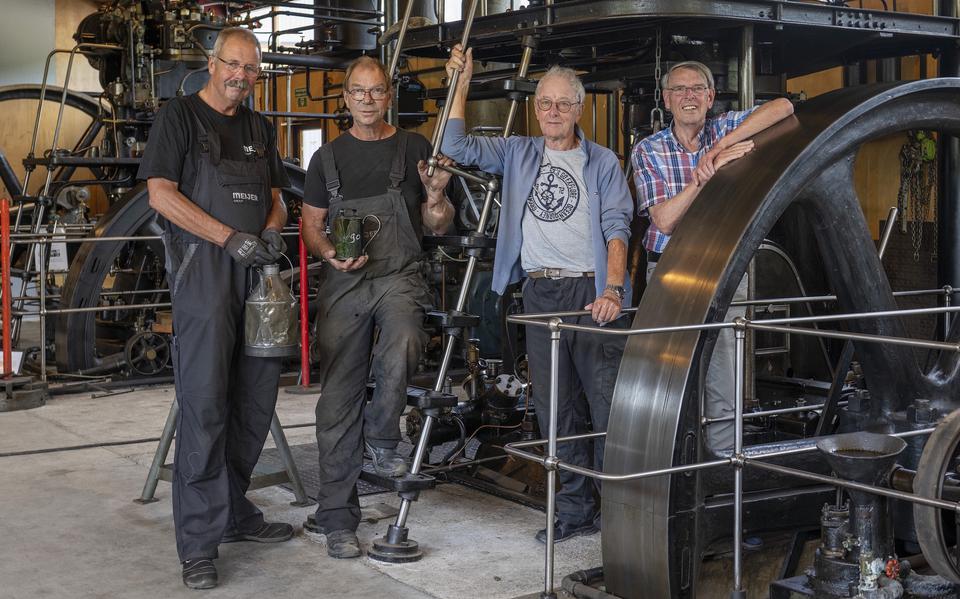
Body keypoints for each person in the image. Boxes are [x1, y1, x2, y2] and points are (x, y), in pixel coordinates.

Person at [442, 45, 633, 544]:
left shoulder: (603, 161)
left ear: (579, 108)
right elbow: (456, 147)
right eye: (545, 102)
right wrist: (460, 84)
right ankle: (575, 511)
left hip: (592, 294)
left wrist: (612, 289)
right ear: (536, 108)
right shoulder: (518, 152)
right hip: (540, 291)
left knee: (608, 406)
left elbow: (618, 227)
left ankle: (625, 513)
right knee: (555, 410)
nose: (552, 111)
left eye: (563, 103)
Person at [138, 27, 294, 590]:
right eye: (233, 65)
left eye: (251, 69)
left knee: (255, 400)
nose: (241, 77)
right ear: (213, 63)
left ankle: (234, 513)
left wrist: (272, 233)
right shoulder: (179, 116)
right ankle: (199, 545)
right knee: (204, 407)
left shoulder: (259, 125)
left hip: (258, 276)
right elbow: (160, 193)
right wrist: (229, 238)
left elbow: (276, 197)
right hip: (203, 276)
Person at [301, 55, 455, 559]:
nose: (367, 100)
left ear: (388, 96)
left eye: (377, 91)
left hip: (398, 276)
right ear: (346, 97)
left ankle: (383, 439)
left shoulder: (414, 147)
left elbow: (438, 224)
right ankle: (337, 518)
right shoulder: (325, 159)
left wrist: (435, 195)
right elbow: (312, 223)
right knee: (338, 398)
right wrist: (328, 253)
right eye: (358, 92)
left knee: (407, 337)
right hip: (345, 284)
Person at [632, 60, 794, 451]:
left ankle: (722, 466)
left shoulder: (724, 129)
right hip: (671, 272)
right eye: (679, 90)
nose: (688, 96)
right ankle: (675, 467)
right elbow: (665, 220)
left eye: (696, 89)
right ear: (667, 100)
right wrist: (705, 178)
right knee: (672, 376)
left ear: (710, 97)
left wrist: (719, 148)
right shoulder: (647, 150)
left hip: (727, 268)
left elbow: (784, 107)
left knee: (725, 377)